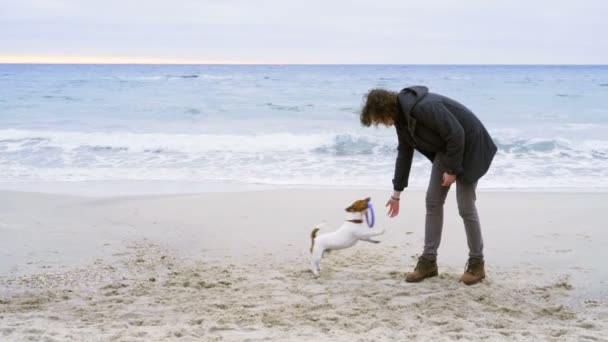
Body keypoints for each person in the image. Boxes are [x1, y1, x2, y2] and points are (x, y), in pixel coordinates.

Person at [360, 86, 497, 285]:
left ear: (385, 110)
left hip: (471, 144)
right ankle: (428, 262)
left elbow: (457, 133)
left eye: (379, 119)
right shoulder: (402, 121)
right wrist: (396, 193)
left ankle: (477, 263)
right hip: (448, 148)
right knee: (432, 202)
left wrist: (452, 171)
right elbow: (404, 154)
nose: (382, 124)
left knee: (465, 206)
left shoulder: (424, 107)